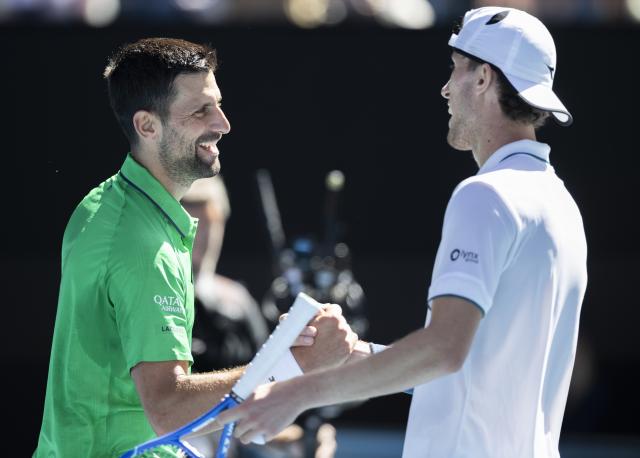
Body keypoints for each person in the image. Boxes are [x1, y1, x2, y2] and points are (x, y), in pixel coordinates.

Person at [218, 7, 588, 458]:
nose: (446, 88)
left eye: (455, 70)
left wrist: (299, 393)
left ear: (483, 78)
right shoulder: (561, 205)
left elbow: (444, 351)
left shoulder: (486, 196)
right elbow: (469, 371)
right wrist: (356, 353)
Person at [33, 38, 360, 457]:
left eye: (218, 104)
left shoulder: (102, 205)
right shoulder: (143, 246)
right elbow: (168, 409)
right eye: (200, 110)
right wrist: (297, 364)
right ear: (147, 126)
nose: (223, 123)